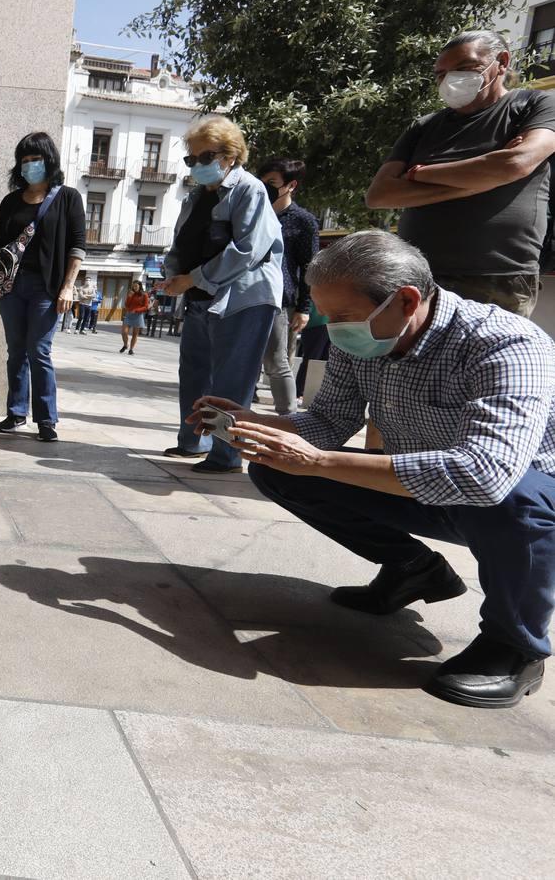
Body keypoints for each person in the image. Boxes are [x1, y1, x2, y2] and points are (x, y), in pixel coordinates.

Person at [198, 231, 554, 708]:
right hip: (420, 484)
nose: (336, 330)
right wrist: (258, 424)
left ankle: (516, 646)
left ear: (406, 300)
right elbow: (328, 420)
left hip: (509, 495)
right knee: (279, 469)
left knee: (517, 499)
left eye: (343, 317)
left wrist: (319, 461)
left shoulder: (504, 344)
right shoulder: (366, 337)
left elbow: (486, 474)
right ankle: (413, 570)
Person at [366, 30, 555, 318]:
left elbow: (516, 163)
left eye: (464, 68)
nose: (449, 80)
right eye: (441, 74)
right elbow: (379, 195)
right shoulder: (424, 126)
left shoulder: (535, 106)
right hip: (416, 275)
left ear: (501, 62)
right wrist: (482, 179)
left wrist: (421, 174)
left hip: (497, 277)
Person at [161, 115, 284, 473]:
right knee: (195, 371)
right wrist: (175, 276)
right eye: (192, 159)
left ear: (230, 155)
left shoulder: (249, 189)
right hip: (201, 295)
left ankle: (226, 455)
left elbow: (248, 250)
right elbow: (182, 243)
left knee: (231, 379)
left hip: (243, 298)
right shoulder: (198, 195)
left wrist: (193, 278)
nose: (198, 165)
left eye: (205, 157)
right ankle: (193, 442)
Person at [0, 132, 85, 442]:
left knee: (38, 350)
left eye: (35, 159)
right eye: (24, 161)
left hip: (46, 287)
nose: (29, 166)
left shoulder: (68, 198)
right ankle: (15, 414)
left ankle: (46, 420)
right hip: (11, 286)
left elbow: (77, 246)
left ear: (48, 160)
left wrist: (68, 287)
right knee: (16, 351)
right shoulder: (10, 201)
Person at [258, 158, 318, 415]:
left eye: (271, 183)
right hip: (244, 294)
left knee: (276, 360)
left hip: (280, 299)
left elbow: (309, 266)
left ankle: (289, 419)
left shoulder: (303, 221)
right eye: (262, 182)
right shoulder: (253, 212)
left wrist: (304, 308)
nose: (265, 188)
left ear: (291, 185)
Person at [119, 281, 149, 354]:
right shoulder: (131, 294)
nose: (134, 287)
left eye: (136, 286)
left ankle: (131, 349)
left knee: (135, 334)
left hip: (138, 315)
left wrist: (136, 310)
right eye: (133, 286)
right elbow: (127, 305)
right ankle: (126, 345)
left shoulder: (144, 295)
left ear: (140, 286)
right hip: (129, 315)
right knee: (124, 332)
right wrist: (129, 296)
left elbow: (146, 307)